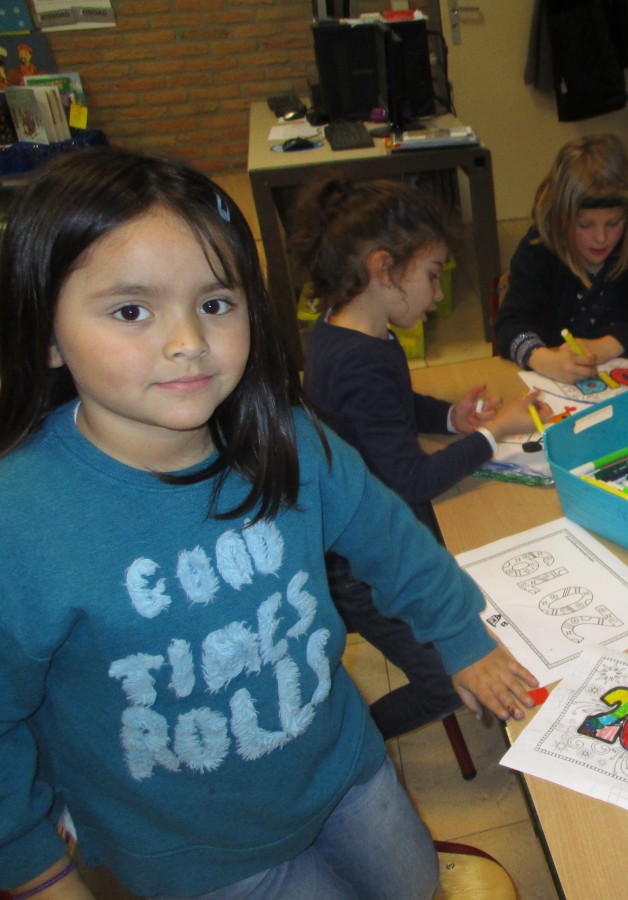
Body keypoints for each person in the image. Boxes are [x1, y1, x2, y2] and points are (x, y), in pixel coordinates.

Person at [0, 148, 537, 900]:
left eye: (215, 304)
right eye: (131, 311)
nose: (189, 341)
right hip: (199, 851)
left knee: (414, 884)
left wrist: (459, 635)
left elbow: (387, 536)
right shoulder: (19, 519)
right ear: (48, 333)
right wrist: (34, 868)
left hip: (342, 768)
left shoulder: (286, 435)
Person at [291, 177, 550, 739]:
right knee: (444, 684)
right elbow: (411, 481)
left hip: (368, 533)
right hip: (357, 568)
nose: (437, 295)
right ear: (384, 270)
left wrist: (451, 419)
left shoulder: (351, 330)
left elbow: (394, 406)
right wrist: (493, 436)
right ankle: (348, 744)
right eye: (432, 276)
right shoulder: (358, 360)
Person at [493, 133, 628, 383]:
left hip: (616, 378)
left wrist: (607, 346)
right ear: (561, 217)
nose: (601, 238)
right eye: (585, 225)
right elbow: (509, 325)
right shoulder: (539, 250)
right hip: (553, 380)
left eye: (614, 223)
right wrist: (543, 359)